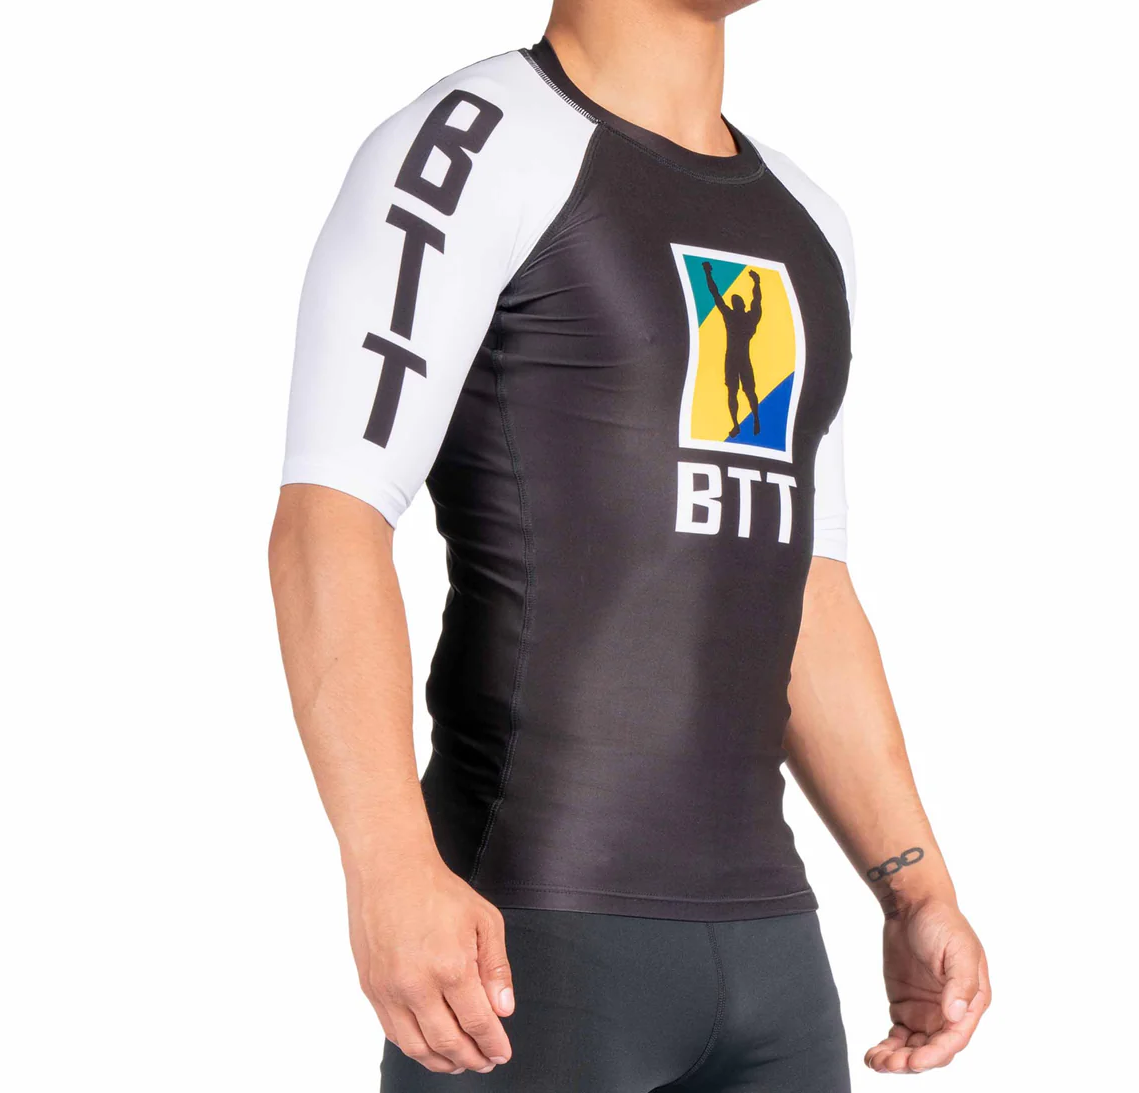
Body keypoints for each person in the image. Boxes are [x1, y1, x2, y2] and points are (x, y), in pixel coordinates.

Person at [269, 1, 991, 1089]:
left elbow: (803, 579)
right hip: (527, 942)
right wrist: (388, 865)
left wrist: (916, 886)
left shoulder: (804, 219)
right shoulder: (476, 142)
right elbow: (331, 517)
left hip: (772, 952)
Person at [703, 261, 763, 437]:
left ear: (739, 305)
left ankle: (753, 419)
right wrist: (756, 282)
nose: (735, 302)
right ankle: (742, 422)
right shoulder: (747, 318)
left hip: (736, 359)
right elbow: (755, 300)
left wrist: (708, 273)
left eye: (736, 301)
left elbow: (716, 295)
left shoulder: (734, 317)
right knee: (738, 392)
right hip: (739, 358)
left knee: (742, 391)